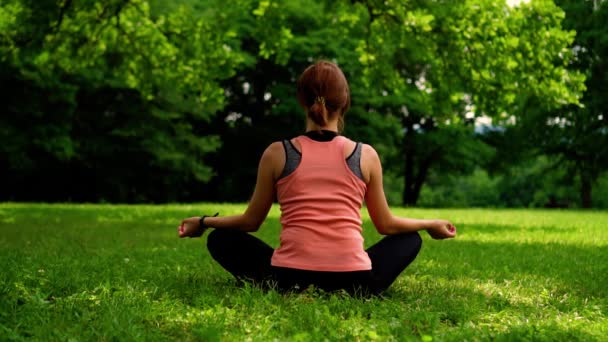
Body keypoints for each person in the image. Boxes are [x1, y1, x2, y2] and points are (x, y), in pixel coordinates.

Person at [178, 60, 456, 297]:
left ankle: (291, 278)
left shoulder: (278, 153)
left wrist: (203, 222)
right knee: (410, 239)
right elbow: (386, 225)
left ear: (301, 100)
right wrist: (429, 224)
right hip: (355, 284)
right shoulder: (365, 155)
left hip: (286, 281)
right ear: (345, 101)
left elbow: (250, 222)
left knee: (221, 239)